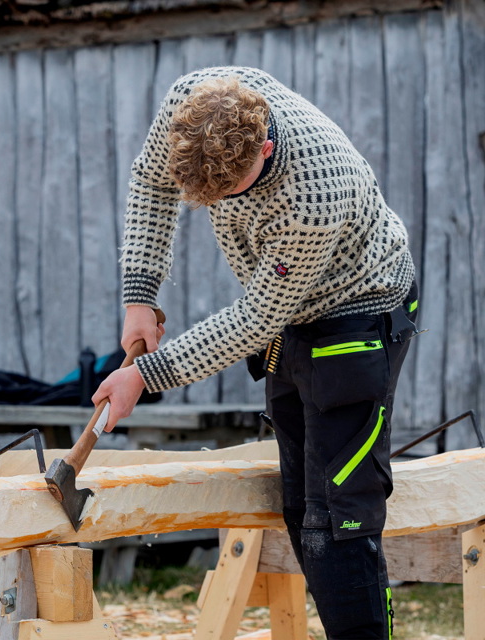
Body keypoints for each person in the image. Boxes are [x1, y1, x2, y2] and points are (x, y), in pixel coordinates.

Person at [92, 67, 418, 640]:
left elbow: (256, 317)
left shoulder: (312, 192)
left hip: (357, 311)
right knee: (297, 506)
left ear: (265, 149)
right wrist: (139, 295)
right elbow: (150, 182)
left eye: (227, 189)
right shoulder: (190, 102)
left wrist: (146, 376)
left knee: (336, 515)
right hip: (290, 315)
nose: (214, 203)